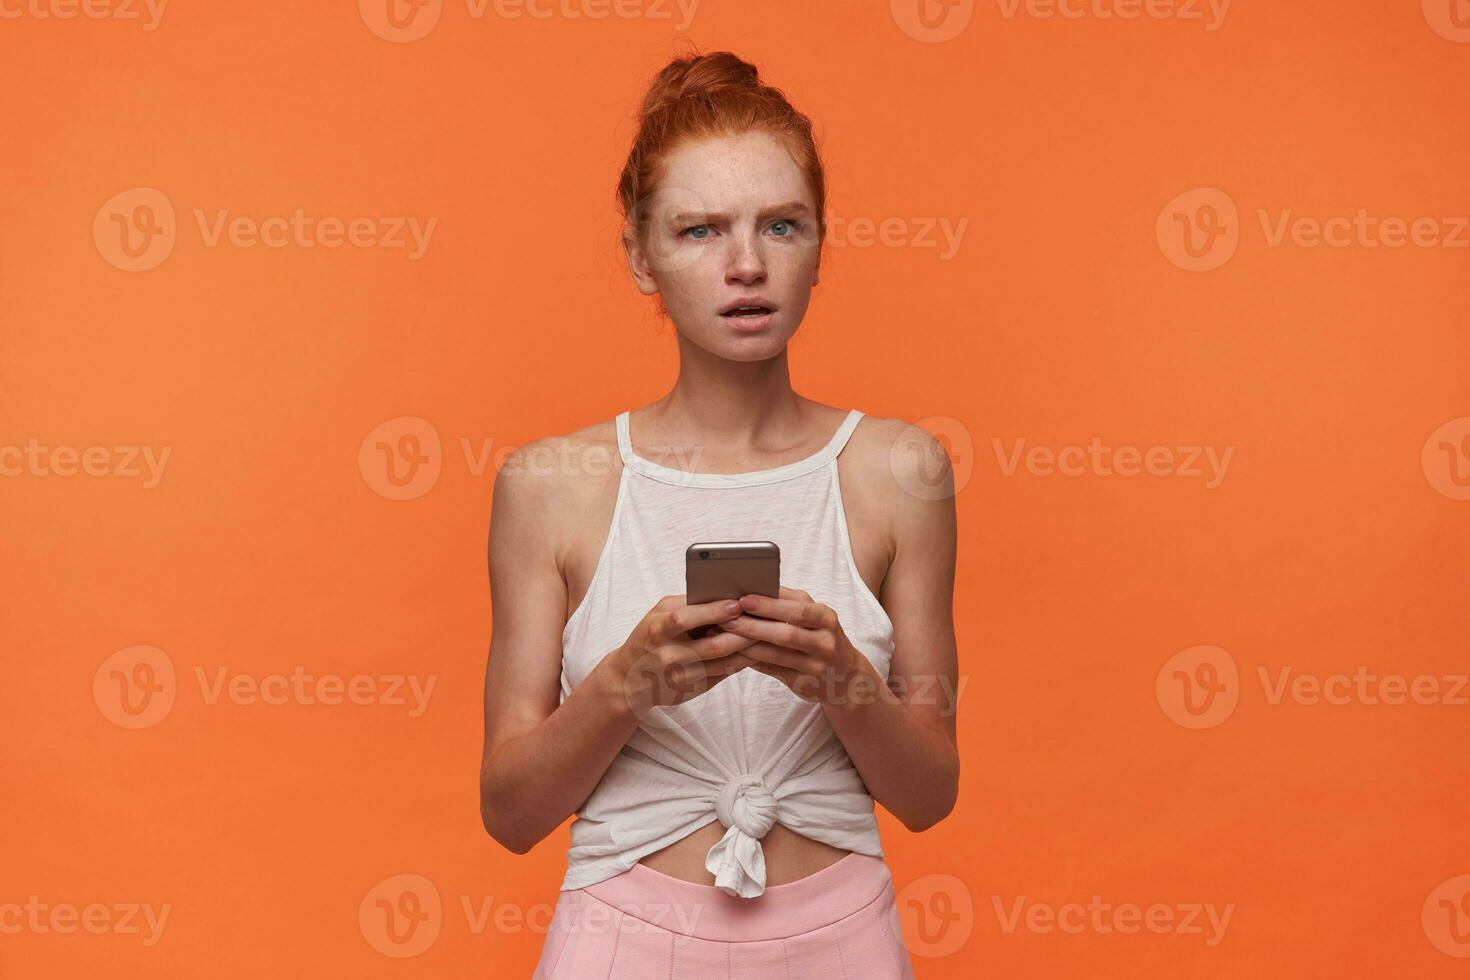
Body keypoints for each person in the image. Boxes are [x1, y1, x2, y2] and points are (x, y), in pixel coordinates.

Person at [480, 47, 960, 979]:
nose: (747, 265)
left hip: (843, 940)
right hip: (618, 941)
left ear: (822, 242)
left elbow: (931, 794)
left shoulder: (902, 471)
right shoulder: (551, 484)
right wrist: (627, 682)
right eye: (700, 231)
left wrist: (839, 678)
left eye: (781, 225)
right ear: (639, 254)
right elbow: (510, 814)